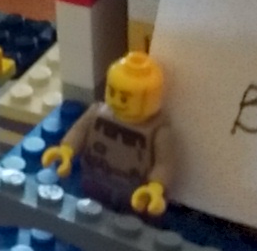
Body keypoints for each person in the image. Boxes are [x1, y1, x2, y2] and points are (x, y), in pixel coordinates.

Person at [42, 52, 174, 217]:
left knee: (131, 219)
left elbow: (164, 163)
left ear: (149, 99)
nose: (117, 102)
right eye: (112, 93)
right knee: (89, 211)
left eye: (124, 99)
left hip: (134, 193)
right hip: (95, 179)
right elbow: (79, 131)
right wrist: (66, 150)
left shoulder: (158, 130)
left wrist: (155, 187)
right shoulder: (97, 111)